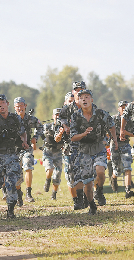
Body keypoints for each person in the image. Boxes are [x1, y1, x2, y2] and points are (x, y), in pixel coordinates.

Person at [70, 89, 117, 214]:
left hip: (98, 147)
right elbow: (73, 137)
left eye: (87, 97)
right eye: (81, 98)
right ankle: (92, 205)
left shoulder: (101, 113)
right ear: (79, 101)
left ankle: (100, 191)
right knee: (88, 183)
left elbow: (112, 125)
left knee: (100, 170)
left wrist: (115, 141)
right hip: (84, 150)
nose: (84, 99)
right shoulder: (75, 116)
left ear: (92, 99)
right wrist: (84, 134)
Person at [59, 81, 89, 209]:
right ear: (73, 92)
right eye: (76, 90)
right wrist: (65, 125)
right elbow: (61, 117)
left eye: (81, 89)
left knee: (86, 173)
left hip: (87, 144)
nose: (78, 91)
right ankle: (78, 200)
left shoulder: (90, 106)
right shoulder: (68, 108)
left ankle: (86, 198)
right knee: (73, 174)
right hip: (72, 145)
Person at [13, 97, 42, 205]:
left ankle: (28, 193)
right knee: (16, 174)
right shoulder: (11, 119)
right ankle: (18, 194)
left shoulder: (31, 119)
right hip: (14, 150)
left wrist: (35, 137)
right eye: (17, 106)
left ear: (25, 106)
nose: (19, 108)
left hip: (27, 148)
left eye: (21, 105)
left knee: (28, 167)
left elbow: (40, 127)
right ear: (14, 108)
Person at [40, 108, 67, 200]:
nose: (58, 116)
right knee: (50, 168)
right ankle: (47, 180)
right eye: (56, 115)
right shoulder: (48, 126)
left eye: (59, 115)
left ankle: (54, 194)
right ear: (53, 116)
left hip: (58, 152)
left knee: (58, 174)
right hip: (48, 151)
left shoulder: (65, 128)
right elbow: (44, 133)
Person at [111, 100, 134, 198]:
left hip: (125, 144)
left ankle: (128, 190)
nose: (124, 108)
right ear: (118, 108)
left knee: (127, 168)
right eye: (122, 107)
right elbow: (107, 132)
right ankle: (114, 178)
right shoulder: (113, 119)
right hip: (114, 145)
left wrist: (125, 132)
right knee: (118, 169)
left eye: (125, 106)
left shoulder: (130, 121)